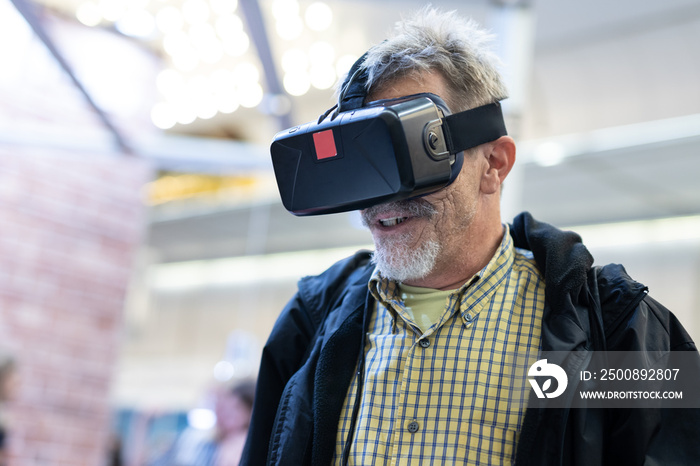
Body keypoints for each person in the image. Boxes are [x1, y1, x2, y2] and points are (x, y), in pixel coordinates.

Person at [241, 7, 700, 466]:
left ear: (494, 164)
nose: (383, 200)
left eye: (413, 157)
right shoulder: (310, 323)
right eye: (368, 167)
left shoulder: (621, 332)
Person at [154, 380, 255, 466]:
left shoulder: (239, 442)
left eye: (237, 408)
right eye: (226, 407)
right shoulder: (211, 440)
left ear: (250, 414)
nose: (227, 413)